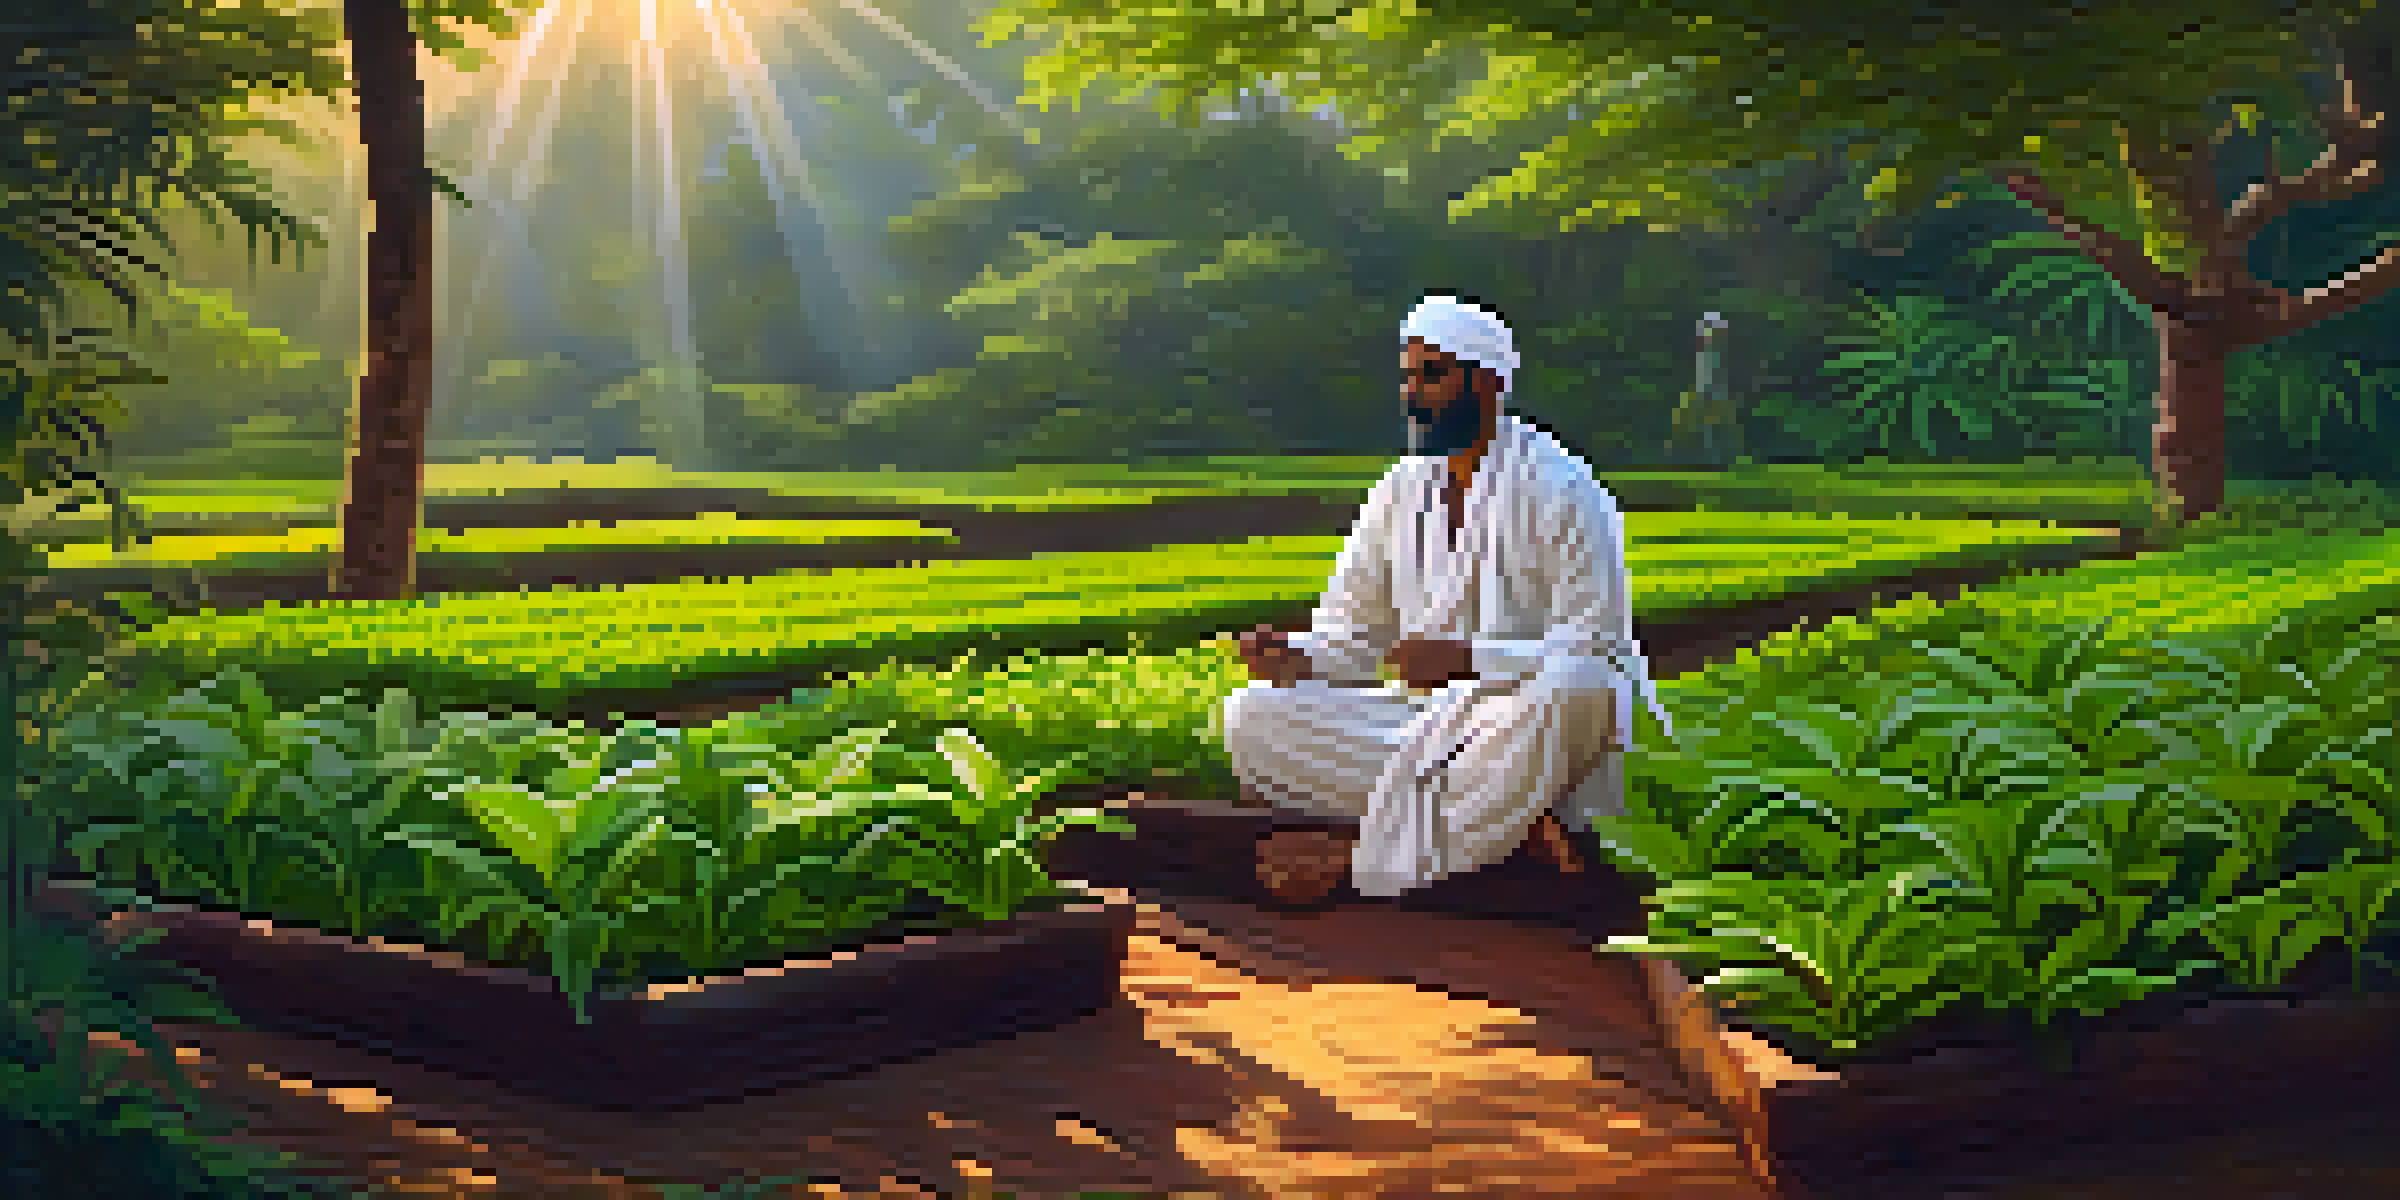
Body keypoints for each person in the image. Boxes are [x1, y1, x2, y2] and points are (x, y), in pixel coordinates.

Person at [1221, 292, 1671, 904]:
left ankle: (1360, 858)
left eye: (1433, 375)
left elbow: (1596, 646)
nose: (1414, 393)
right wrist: (1297, 659)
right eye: (1408, 377)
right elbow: (1350, 639)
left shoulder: (1563, 487)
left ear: (1487, 384)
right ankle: (1507, 824)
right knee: (1253, 717)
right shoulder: (1395, 492)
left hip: (1526, 722)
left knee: (1581, 687)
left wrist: (1470, 660)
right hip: (1432, 730)